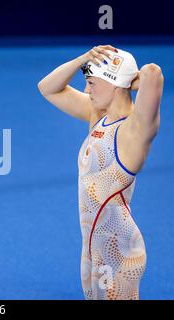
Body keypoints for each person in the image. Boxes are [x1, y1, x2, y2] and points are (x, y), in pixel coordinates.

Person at [37, 45, 164, 300]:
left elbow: (153, 73)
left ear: (115, 83)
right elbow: (47, 88)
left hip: (120, 253)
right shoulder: (98, 116)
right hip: (92, 248)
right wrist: (82, 60)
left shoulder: (134, 132)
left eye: (92, 83)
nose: (86, 89)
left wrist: (127, 79)